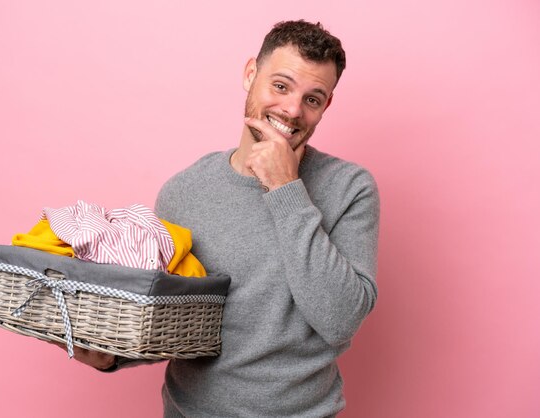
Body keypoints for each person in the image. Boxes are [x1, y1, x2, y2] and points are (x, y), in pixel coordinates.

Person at [71, 20, 380, 417]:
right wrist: (112, 358)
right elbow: (174, 321)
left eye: (313, 99)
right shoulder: (185, 191)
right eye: (281, 86)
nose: (292, 110)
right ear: (250, 73)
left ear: (326, 106)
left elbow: (340, 320)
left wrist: (286, 189)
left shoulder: (350, 189)